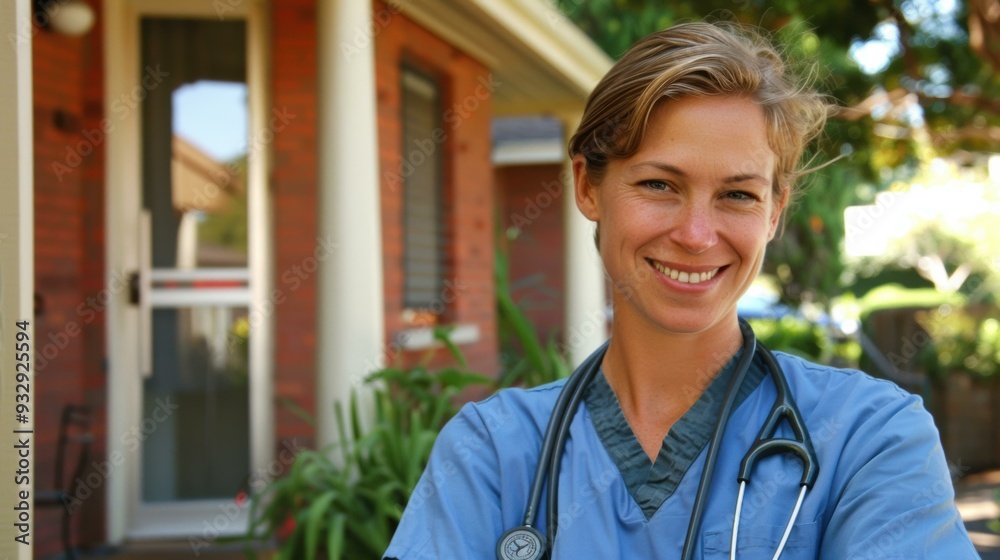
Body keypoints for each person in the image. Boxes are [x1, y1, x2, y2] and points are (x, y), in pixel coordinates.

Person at [383, 21, 977, 559]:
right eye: (660, 184)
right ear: (588, 187)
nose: (696, 235)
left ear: (775, 212)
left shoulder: (869, 439)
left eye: (739, 194)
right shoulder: (493, 453)